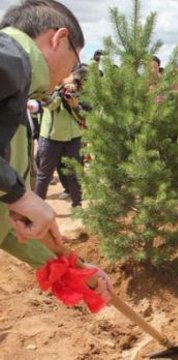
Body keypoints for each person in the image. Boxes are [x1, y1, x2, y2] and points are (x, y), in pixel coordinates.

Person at [0, 0, 111, 301]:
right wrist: (18, 194)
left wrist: (73, 267)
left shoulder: (17, 88)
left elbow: (8, 224)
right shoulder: (10, 59)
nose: (67, 78)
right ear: (59, 38)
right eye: (73, 64)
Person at [34, 67, 86, 209]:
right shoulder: (50, 86)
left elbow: (85, 116)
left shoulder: (81, 91)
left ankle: (78, 206)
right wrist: (60, 89)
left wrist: (75, 104)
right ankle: (37, 208)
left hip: (73, 138)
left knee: (74, 173)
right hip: (51, 137)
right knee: (44, 175)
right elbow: (50, 105)